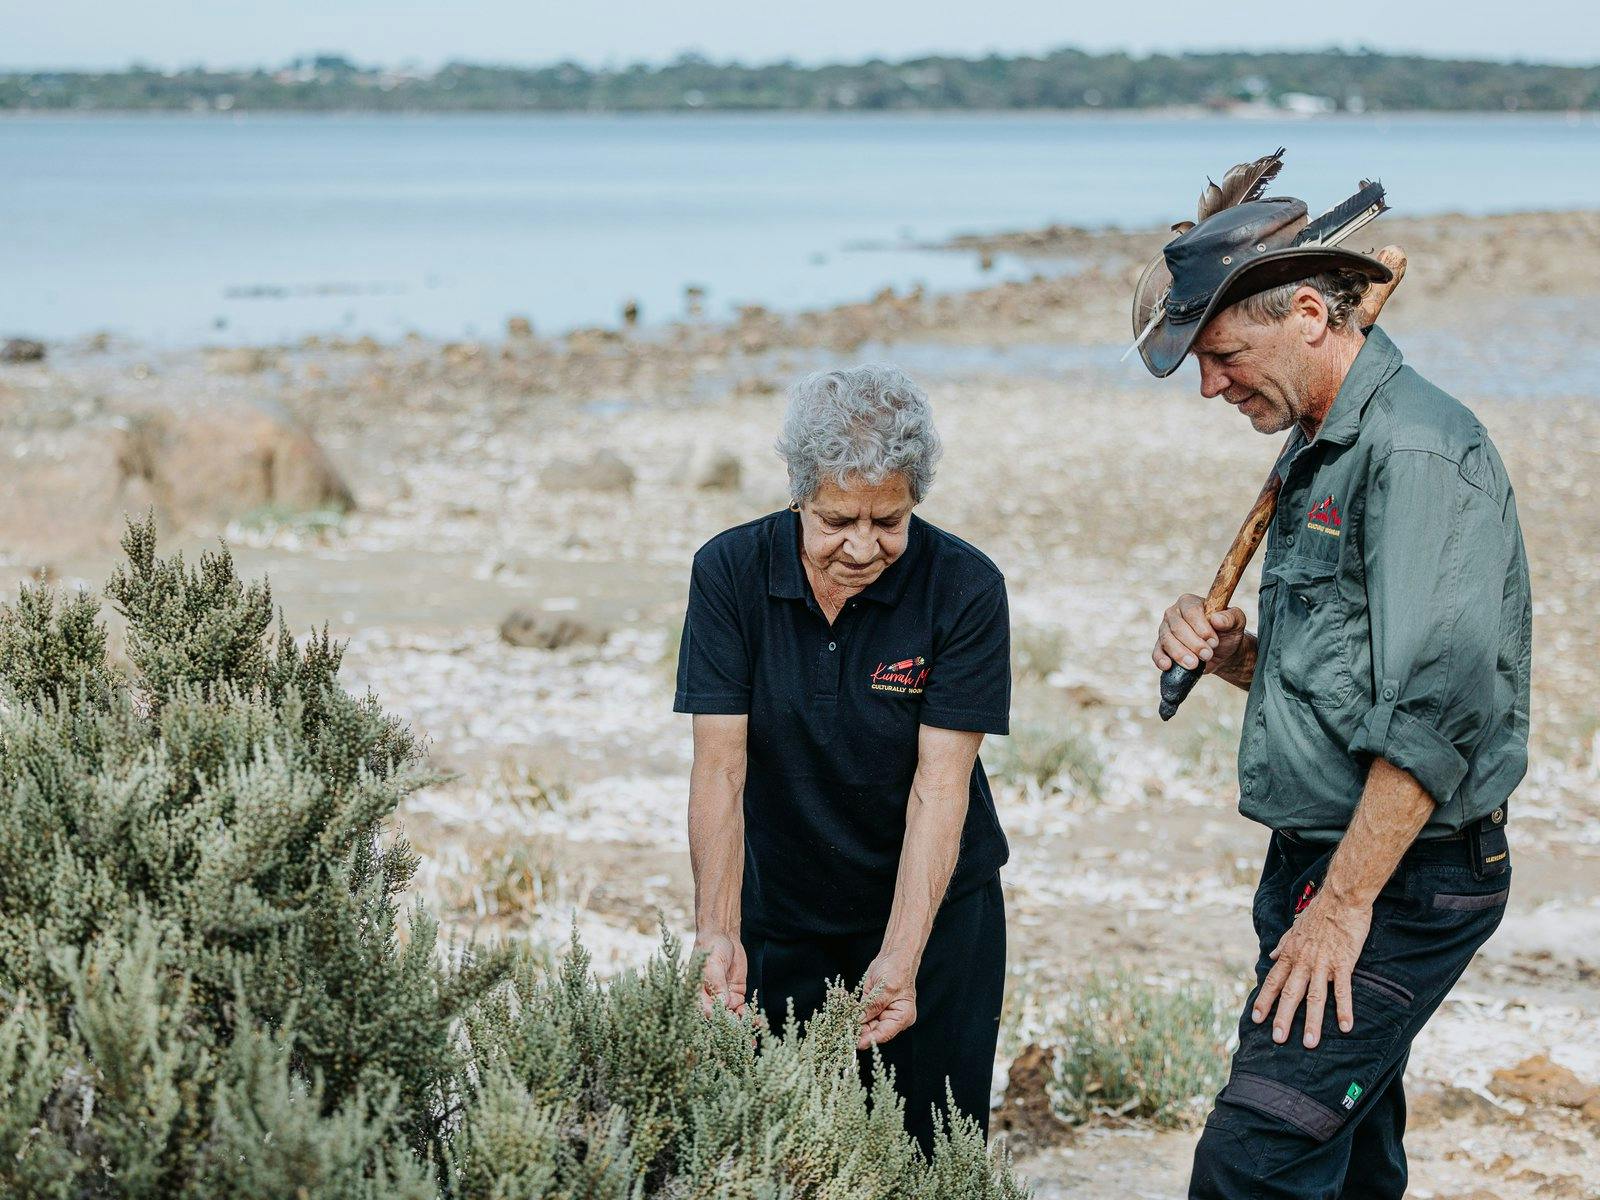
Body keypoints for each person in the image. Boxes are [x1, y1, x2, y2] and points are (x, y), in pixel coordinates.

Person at [1136, 189, 1531, 1198]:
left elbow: (1438, 713)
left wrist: (1340, 908)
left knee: (1254, 1162)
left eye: (1222, 357)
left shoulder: (1415, 452)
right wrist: (1233, 655)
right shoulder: (1321, 444)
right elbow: (1347, 685)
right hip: (1323, 854)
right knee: (1345, 1154)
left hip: (1400, 877)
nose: (1209, 387)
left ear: (1307, 315)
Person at [673, 364, 1011, 1154]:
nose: (863, 547)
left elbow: (940, 788)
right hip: (781, 911)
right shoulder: (728, 573)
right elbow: (720, 770)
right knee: (782, 1145)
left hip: (936, 918)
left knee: (929, 1149)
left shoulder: (965, 587)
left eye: (888, 520)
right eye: (836, 520)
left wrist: (902, 957)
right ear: (799, 494)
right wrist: (717, 934)